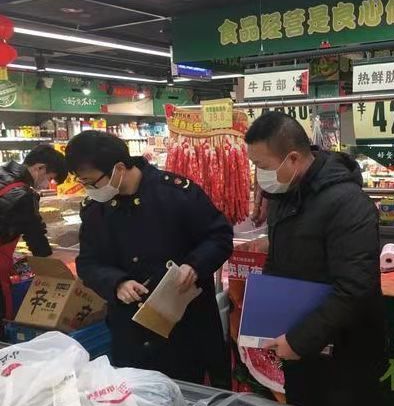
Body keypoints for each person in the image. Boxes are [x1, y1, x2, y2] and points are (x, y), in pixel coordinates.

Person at [245, 112, 387, 406]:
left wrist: (299, 340)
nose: (260, 176)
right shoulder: (285, 196)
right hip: (303, 351)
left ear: (293, 158)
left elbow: (354, 287)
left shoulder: (348, 203)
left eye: (262, 166)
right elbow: (280, 263)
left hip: (345, 358)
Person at [65, 131, 232, 384]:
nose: (89, 189)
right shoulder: (95, 210)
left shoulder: (177, 193)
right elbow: (88, 263)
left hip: (185, 328)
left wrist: (194, 266)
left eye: (91, 181)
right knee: (137, 398)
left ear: (119, 168)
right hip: (130, 333)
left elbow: (219, 237)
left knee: (191, 395)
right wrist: (116, 283)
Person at [0, 145, 67, 318]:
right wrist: (55, 272)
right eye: (50, 178)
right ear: (40, 168)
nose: (46, 184)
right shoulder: (23, 194)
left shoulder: (3, 174)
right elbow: (36, 237)